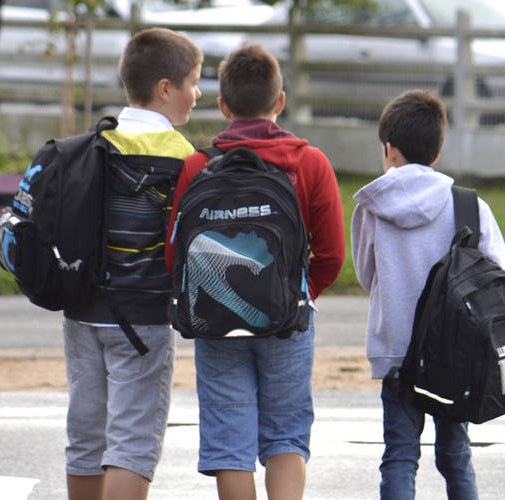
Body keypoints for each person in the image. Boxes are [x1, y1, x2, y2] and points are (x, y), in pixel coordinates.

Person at [164, 44, 346, 500]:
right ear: (279, 101)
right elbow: (332, 254)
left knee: (230, 445)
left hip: (214, 320)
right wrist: (296, 294)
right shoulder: (310, 163)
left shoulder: (197, 167)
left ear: (223, 106)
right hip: (288, 323)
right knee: (285, 436)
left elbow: (176, 254)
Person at [351, 90, 505, 500]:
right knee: (455, 455)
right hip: (455, 354)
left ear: (388, 149)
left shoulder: (371, 206)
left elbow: (367, 276)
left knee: (400, 455)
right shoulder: (469, 206)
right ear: (437, 152)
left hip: (398, 353)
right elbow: (502, 277)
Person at [62, 28, 202, 500]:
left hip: (81, 312)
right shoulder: (185, 158)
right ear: (166, 88)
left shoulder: (92, 146)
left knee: (85, 436)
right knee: (131, 445)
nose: (197, 94)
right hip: (141, 321)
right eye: (194, 83)